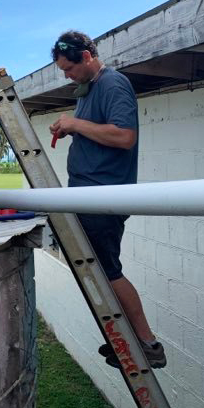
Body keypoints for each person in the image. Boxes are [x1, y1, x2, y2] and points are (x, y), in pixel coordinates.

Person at [49, 30, 166, 369]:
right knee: (101, 269)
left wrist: (76, 123)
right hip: (88, 193)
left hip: (104, 195)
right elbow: (94, 129)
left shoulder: (113, 84)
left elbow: (124, 136)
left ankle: (147, 344)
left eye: (69, 69)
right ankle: (127, 340)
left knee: (109, 270)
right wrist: (72, 126)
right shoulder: (88, 90)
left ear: (87, 57)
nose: (67, 76)